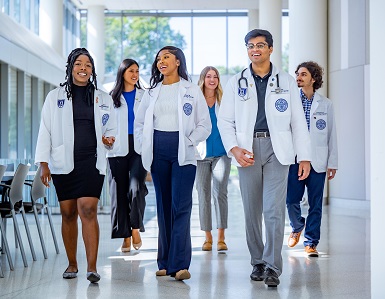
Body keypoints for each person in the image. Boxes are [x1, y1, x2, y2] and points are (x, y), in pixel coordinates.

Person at [217, 29, 311, 287]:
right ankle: (257, 261)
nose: (255, 49)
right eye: (250, 46)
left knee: (273, 210)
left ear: (270, 48)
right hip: (247, 150)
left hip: (277, 148)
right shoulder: (237, 81)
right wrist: (234, 148)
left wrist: (304, 157)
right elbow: (225, 120)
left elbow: (298, 122)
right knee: (251, 211)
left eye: (260, 45)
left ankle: (272, 265)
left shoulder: (286, 81)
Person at [35, 48, 116, 283]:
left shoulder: (103, 97)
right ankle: (72, 264)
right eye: (79, 64)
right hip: (62, 162)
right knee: (68, 213)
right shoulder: (55, 97)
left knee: (88, 209)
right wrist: (43, 163)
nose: (83, 68)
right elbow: (45, 130)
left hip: (91, 161)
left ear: (92, 70)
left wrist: (109, 139)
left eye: (88, 65)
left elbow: (110, 128)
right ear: (70, 67)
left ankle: (92, 267)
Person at [134, 46, 211, 281]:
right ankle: (165, 262)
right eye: (158, 58)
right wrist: (143, 146)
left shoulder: (191, 90)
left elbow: (204, 125)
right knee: (163, 206)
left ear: (178, 61)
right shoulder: (151, 92)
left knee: (181, 206)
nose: (161, 61)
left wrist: (189, 140)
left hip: (183, 152)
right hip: (158, 150)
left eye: (166, 57)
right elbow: (139, 124)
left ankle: (180, 265)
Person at [286, 61, 338, 257]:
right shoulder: (292, 101)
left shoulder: (326, 104)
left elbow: (332, 134)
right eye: (298, 74)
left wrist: (333, 162)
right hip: (295, 160)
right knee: (292, 200)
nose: (298, 77)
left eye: (303, 74)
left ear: (313, 79)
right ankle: (297, 226)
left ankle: (311, 242)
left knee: (316, 203)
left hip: (318, 161)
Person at [107, 59, 148, 253]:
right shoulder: (110, 98)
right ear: (122, 72)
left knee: (136, 188)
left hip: (139, 148)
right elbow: (103, 124)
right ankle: (124, 236)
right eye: (131, 70)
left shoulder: (144, 96)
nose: (135, 74)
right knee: (119, 193)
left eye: (137, 71)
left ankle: (135, 228)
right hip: (117, 149)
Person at [195, 66, 231, 252]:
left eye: (215, 76)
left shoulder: (223, 100)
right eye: (208, 76)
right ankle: (207, 237)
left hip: (222, 154)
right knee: (203, 194)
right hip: (201, 155)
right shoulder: (195, 101)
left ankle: (221, 237)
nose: (212, 79)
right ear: (203, 79)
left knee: (220, 193)